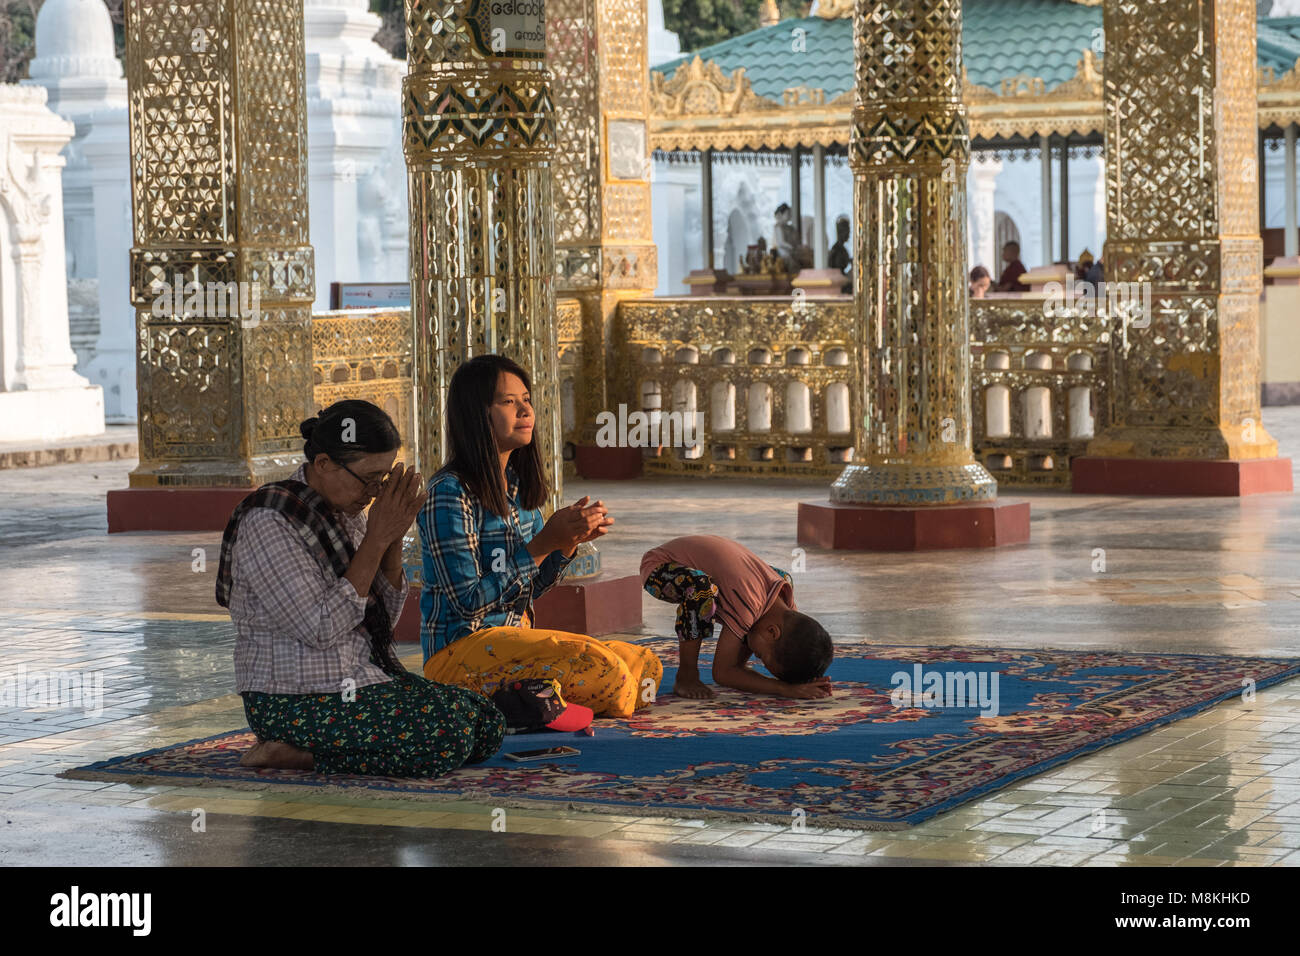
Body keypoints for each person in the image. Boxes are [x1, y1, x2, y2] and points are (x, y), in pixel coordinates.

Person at [218, 399, 505, 776]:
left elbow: (379, 618)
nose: (374, 492)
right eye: (368, 479)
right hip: (293, 699)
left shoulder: (345, 513)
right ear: (323, 464)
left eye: (382, 480)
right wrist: (375, 538)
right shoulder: (270, 521)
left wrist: (390, 543)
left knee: (486, 720)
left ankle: (313, 751)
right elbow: (320, 627)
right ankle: (293, 754)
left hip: (359, 681)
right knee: (444, 736)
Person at [418, 354, 663, 718]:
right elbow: (468, 602)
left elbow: (530, 590)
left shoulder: (518, 489)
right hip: (459, 653)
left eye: (527, 400)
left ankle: (536, 705)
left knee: (644, 663)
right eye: (508, 401)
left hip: (514, 643)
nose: (524, 411)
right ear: (477, 413)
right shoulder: (450, 492)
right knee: (609, 670)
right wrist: (541, 546)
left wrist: (565, 546)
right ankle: (531, 705)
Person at [641, 534, 834, 700]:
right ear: (772, 632)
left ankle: (737, 667)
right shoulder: (748, 603)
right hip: (660, 569)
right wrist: (784, 689)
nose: (755, 655)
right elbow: (722, 673)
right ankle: (687, 675)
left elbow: (800, 640)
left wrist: (805, 678)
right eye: (760, 655)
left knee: (772, 591)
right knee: (702, 591)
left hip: (707, 570)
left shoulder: (785, 598)